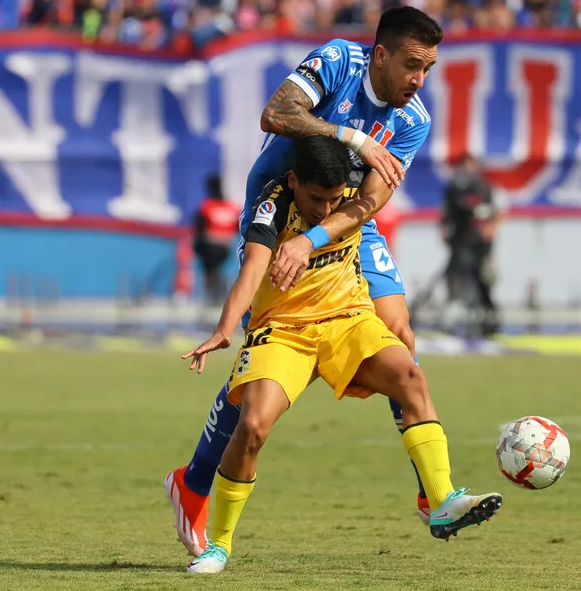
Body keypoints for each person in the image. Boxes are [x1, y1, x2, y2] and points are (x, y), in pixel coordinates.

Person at [164, 5, 444, 558]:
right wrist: (354, 139)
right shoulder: (339, 60)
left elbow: (371, 202)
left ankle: (431, 493)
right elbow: (276, 113)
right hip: (280, 211)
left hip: (344, 221)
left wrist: (315, 240)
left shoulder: (414, 122)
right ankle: (194, 481)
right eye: (412, 65)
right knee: (265, 364)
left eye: (428, 69)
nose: (419, 80)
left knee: (401, 337)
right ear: (381, 55)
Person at [181, 136, 502, 574]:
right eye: (315, 199)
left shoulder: (357, 193)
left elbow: (376, 194)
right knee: (253, 425)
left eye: (333, 201)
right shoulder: (271, 205)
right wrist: (222, 329)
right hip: (283, 330)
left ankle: (442, 498)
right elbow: (254, 267)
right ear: (293, 181)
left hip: (347, 318)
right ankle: (218, 546)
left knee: (409, 374)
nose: (325, 211)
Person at [441, 154, 504, 337]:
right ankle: (457, 317)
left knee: (483, 280)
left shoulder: (486, 188)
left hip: (480, 245)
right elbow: (449, 213)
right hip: (461, 242)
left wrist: (489, 229)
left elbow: (496, 212)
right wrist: (446, 228)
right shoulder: (455, 188)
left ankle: (486, 319)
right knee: (458, 277)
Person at [193, 174, 240, 305]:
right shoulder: (232, 207)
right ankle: (218, 296)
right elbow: (238, 227)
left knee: (211, 271)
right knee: (215, 270)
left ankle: (214, 297)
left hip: (209, 246)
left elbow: (199, 229)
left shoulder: (206, 207)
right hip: (225, 248)